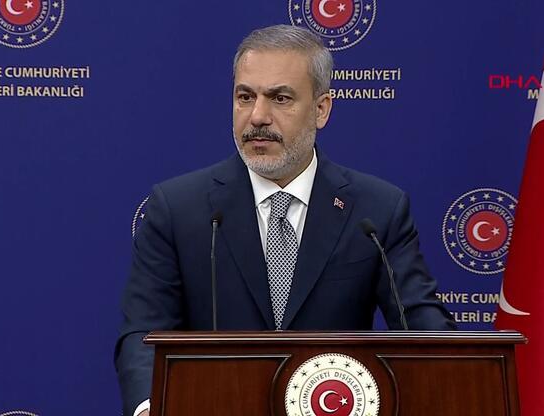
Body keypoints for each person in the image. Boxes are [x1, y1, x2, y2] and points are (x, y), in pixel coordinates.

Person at [114, 24, 455, 416]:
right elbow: (143, 334)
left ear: (322, 109)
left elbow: (423, 329)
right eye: (245, 97)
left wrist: (451, 380)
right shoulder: (178, 209)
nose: (258, 117)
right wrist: (150, 408)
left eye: (280, 98)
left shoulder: (376, 211)